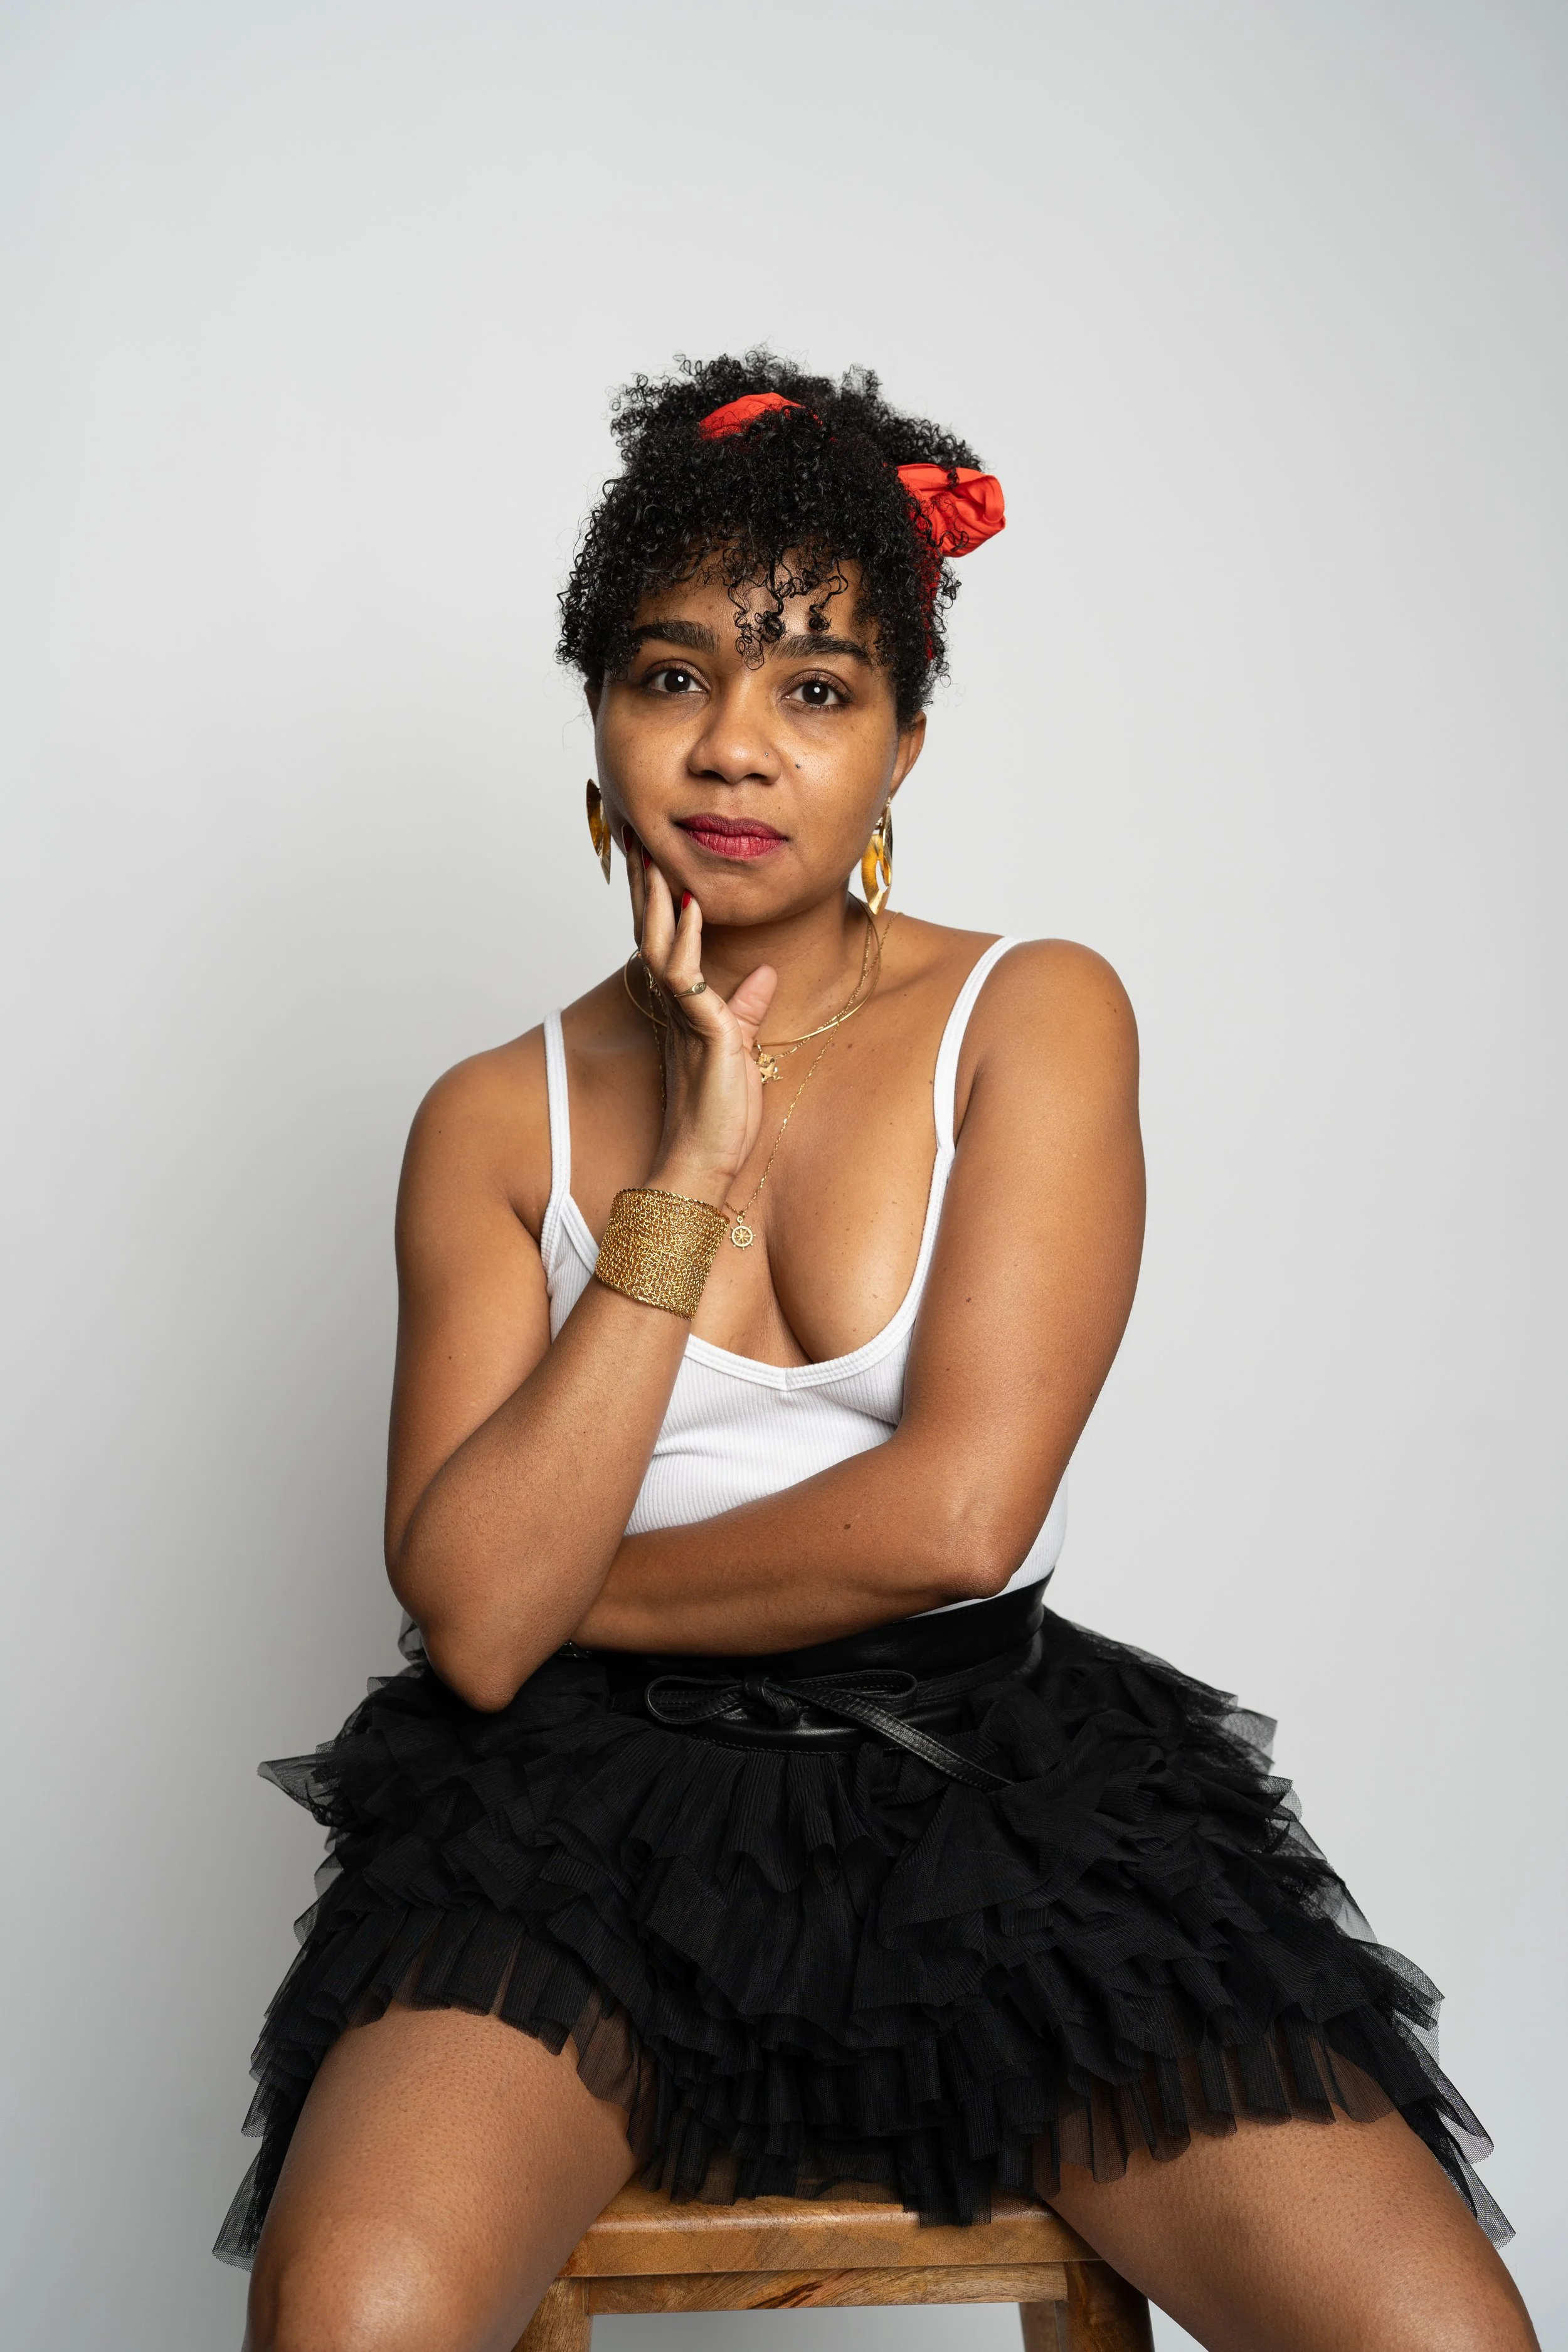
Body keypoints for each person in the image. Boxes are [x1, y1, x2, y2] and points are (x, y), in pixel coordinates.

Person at [221, 358, 1535, 2352]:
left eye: (816, 690)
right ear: (597, 716)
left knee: (1434, 2338)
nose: (732, 747)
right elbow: (482, 1644)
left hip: (988, 1790)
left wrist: (559, 1586)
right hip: (578, 1827)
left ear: (903, 742)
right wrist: (689, 1172)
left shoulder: (1036, 1014)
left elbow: (953, 1519)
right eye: (671, 675)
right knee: (349, 2317)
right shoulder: (493, 1119)